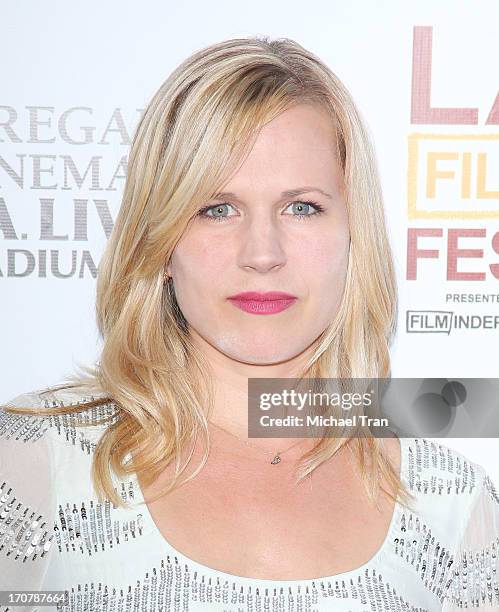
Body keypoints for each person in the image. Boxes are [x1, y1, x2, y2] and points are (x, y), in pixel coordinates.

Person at [1, 36, 498, 612]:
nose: (262, 253)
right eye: (217, 208)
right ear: (160, 243)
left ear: (352, 235)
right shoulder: (32, 467)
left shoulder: (451, 504)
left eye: (302, 207)